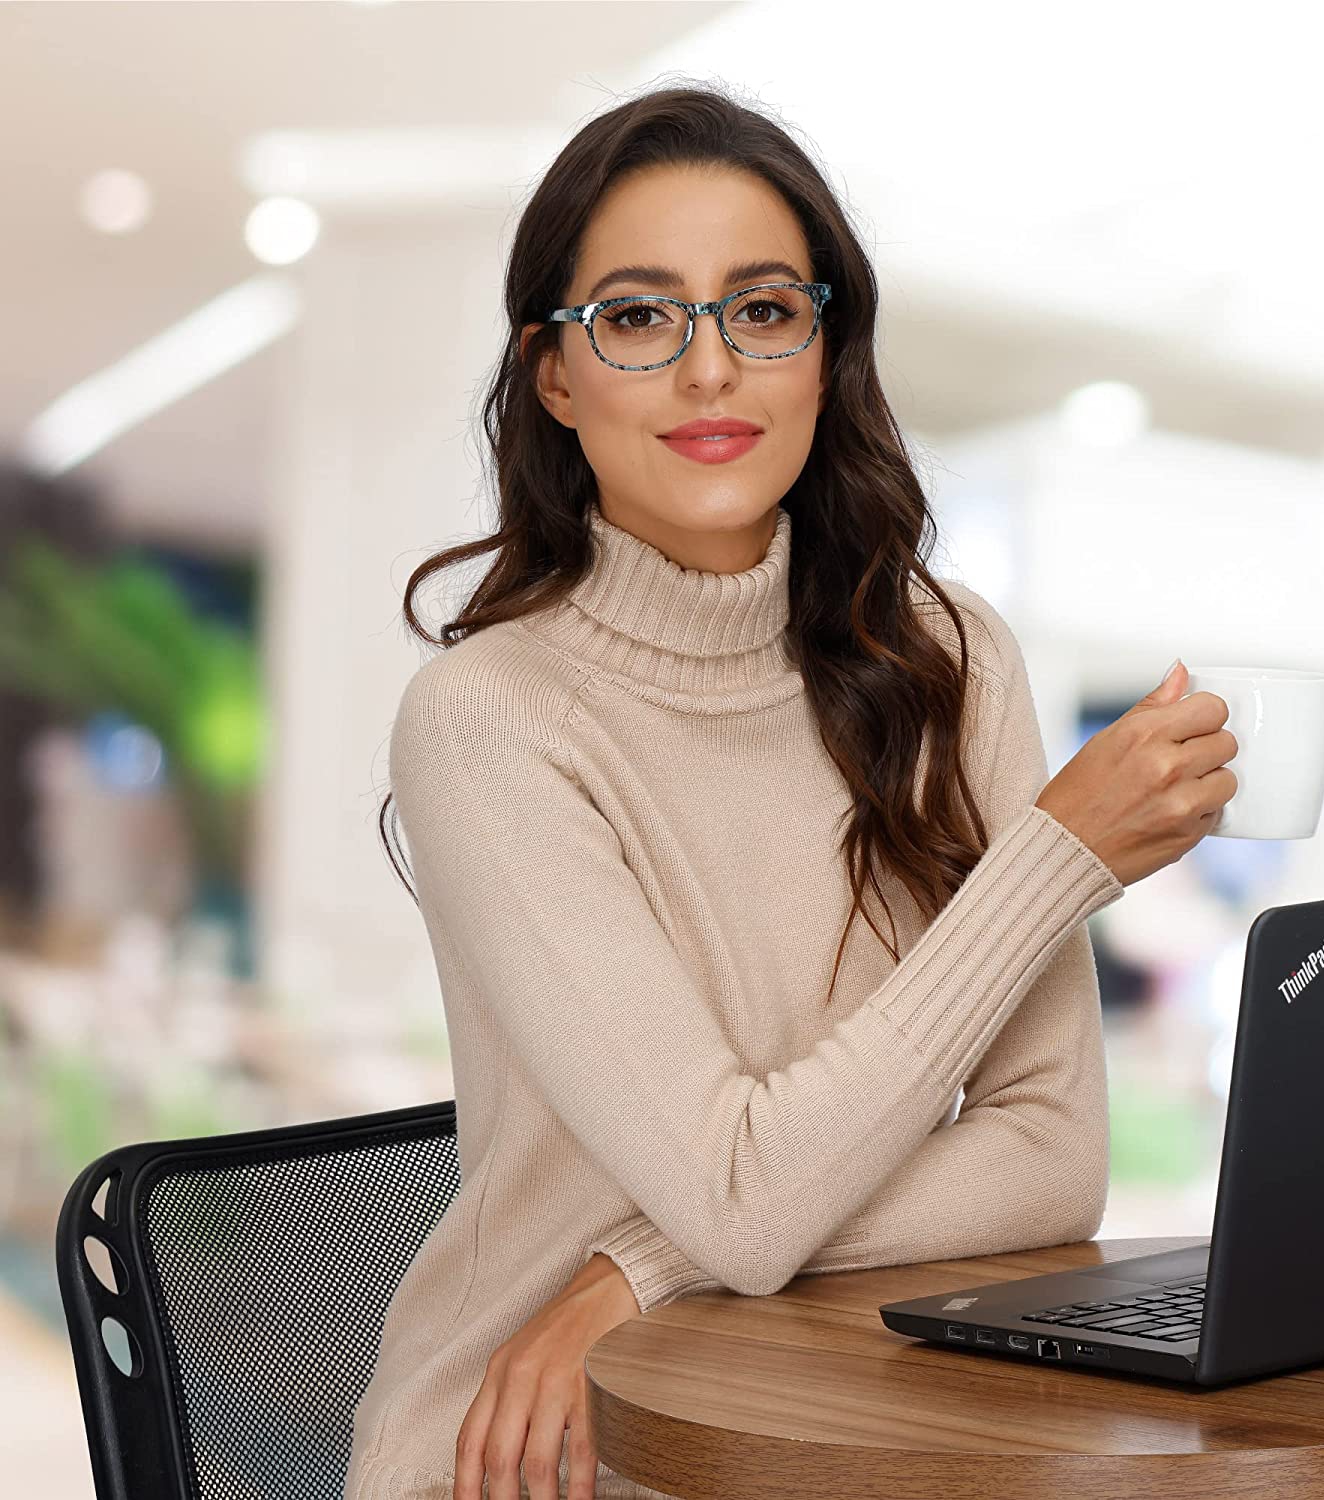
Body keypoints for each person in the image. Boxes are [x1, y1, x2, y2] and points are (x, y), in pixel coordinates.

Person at [342, 81, 1236, 1500]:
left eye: (762, 311)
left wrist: (635, 1268)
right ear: (556, 377)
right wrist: (1058, 855)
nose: (710, 371)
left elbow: (1051, 1160)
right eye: (638, 318)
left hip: (844, 1429)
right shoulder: (489, 722)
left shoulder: (950, 661)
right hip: (541, 1449)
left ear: (824, 356)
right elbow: (744, 1202)